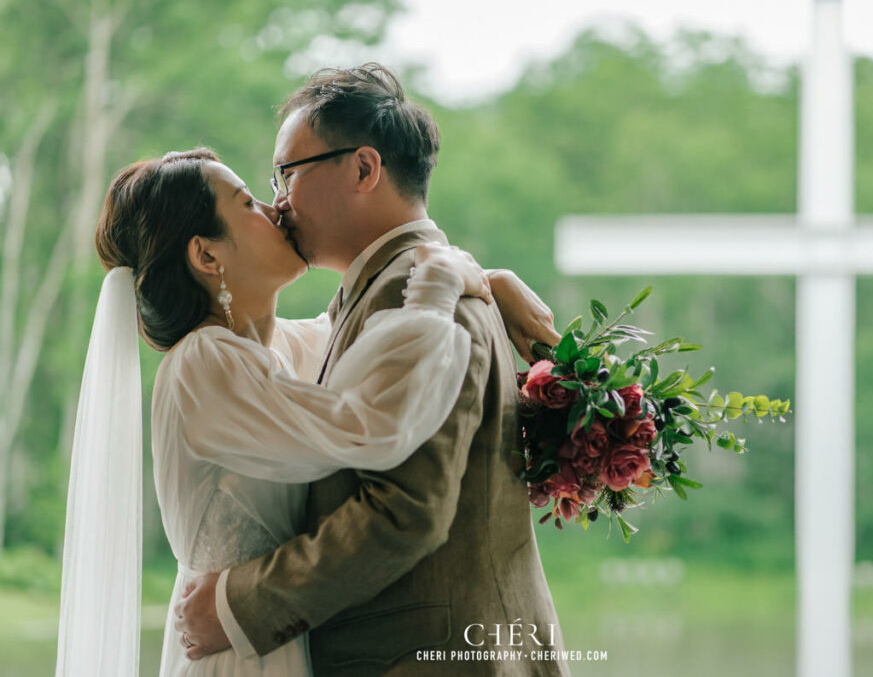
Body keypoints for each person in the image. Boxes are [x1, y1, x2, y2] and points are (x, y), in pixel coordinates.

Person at [56, 147, 560, 677]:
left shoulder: (276, 350)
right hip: (235, 653)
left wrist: (490, 281)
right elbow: (368, 421)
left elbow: (362, 333)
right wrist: (439, 286)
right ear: (207, 256)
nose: (275, 208)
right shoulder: (204, 364)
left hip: (276, 642)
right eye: (248, 202)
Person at [175, 64, 572, 676]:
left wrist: (236, 608)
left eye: (285, 174)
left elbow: (405, 510)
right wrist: (486, 276)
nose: (278, 203)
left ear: (363, 168)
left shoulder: (409, 293)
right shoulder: (402, 288)